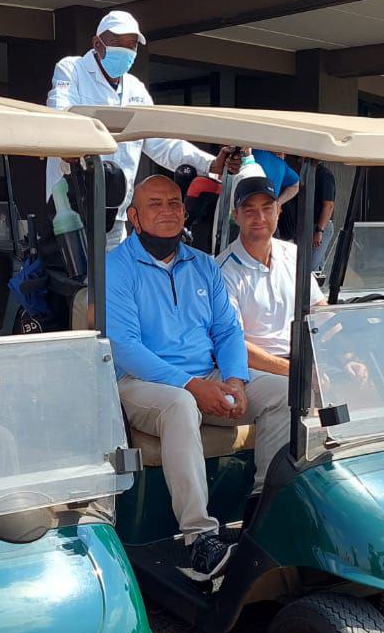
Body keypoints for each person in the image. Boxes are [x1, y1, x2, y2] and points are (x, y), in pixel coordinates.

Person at [107, 175, 290, 581]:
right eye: (155, 204)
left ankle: (264, 510)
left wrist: (237, 381)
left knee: (284, 393)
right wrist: (193, 385)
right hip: (140, 382)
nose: (168, 211)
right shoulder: (116, 268)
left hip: (207, 374)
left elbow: (227, 332)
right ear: (134, 217)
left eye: (174, 203)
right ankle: (199, 538)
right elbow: (126, 347)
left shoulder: (203, 265)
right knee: (180, 404)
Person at [45, 10, 233, 247]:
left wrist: (210, 164)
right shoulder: (72, 69)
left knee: (114, 282)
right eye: (117, 42)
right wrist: (71, 146)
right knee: (78, 283)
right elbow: (59, 114)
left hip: (117, 217)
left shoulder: (136, 88)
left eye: (131, 45)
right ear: (97, 43)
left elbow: (160, 142)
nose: (125, 51)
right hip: (72, 213)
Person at [219, 166, 325, 377]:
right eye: (249, 210)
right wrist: (297, 372)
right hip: (255, 370)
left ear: (279, 210)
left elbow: (320, 312)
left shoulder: (295, 255)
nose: (260, 217)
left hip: (302, 361)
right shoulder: (222, 271)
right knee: (288, 397)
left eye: (267, 208)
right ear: (236, 216)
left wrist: (348, 357)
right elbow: (233, 344)